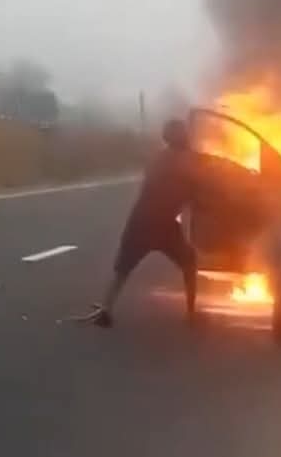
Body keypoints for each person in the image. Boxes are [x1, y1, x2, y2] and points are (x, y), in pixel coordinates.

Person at [80, 118, 200, 327]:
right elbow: (194, 187)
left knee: (123, 269)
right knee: (189, 261)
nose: (188, 135)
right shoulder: (183, 160)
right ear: (180, 136)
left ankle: (106, 309)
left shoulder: (160, 159)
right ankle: (191, 313)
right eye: (184, 132)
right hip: (162, 224)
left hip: (142, 221)